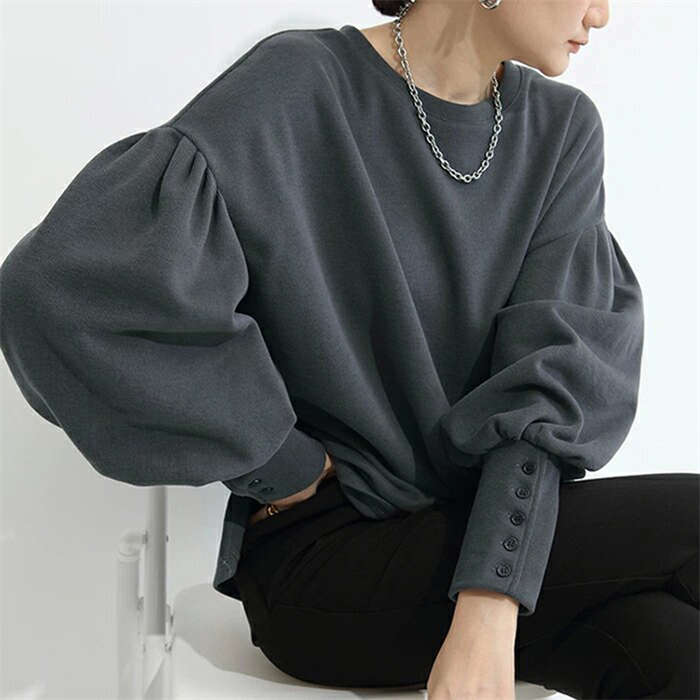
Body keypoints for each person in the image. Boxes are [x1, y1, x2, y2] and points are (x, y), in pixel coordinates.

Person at [0, 0, 697, 698]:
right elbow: (51, 293)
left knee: (671, 646)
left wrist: (488, 605)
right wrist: (284, 463)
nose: (602, 14)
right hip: (323, 557)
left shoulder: (561, 131)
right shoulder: (299, 83)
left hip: (473, 536)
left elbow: (546, 387)